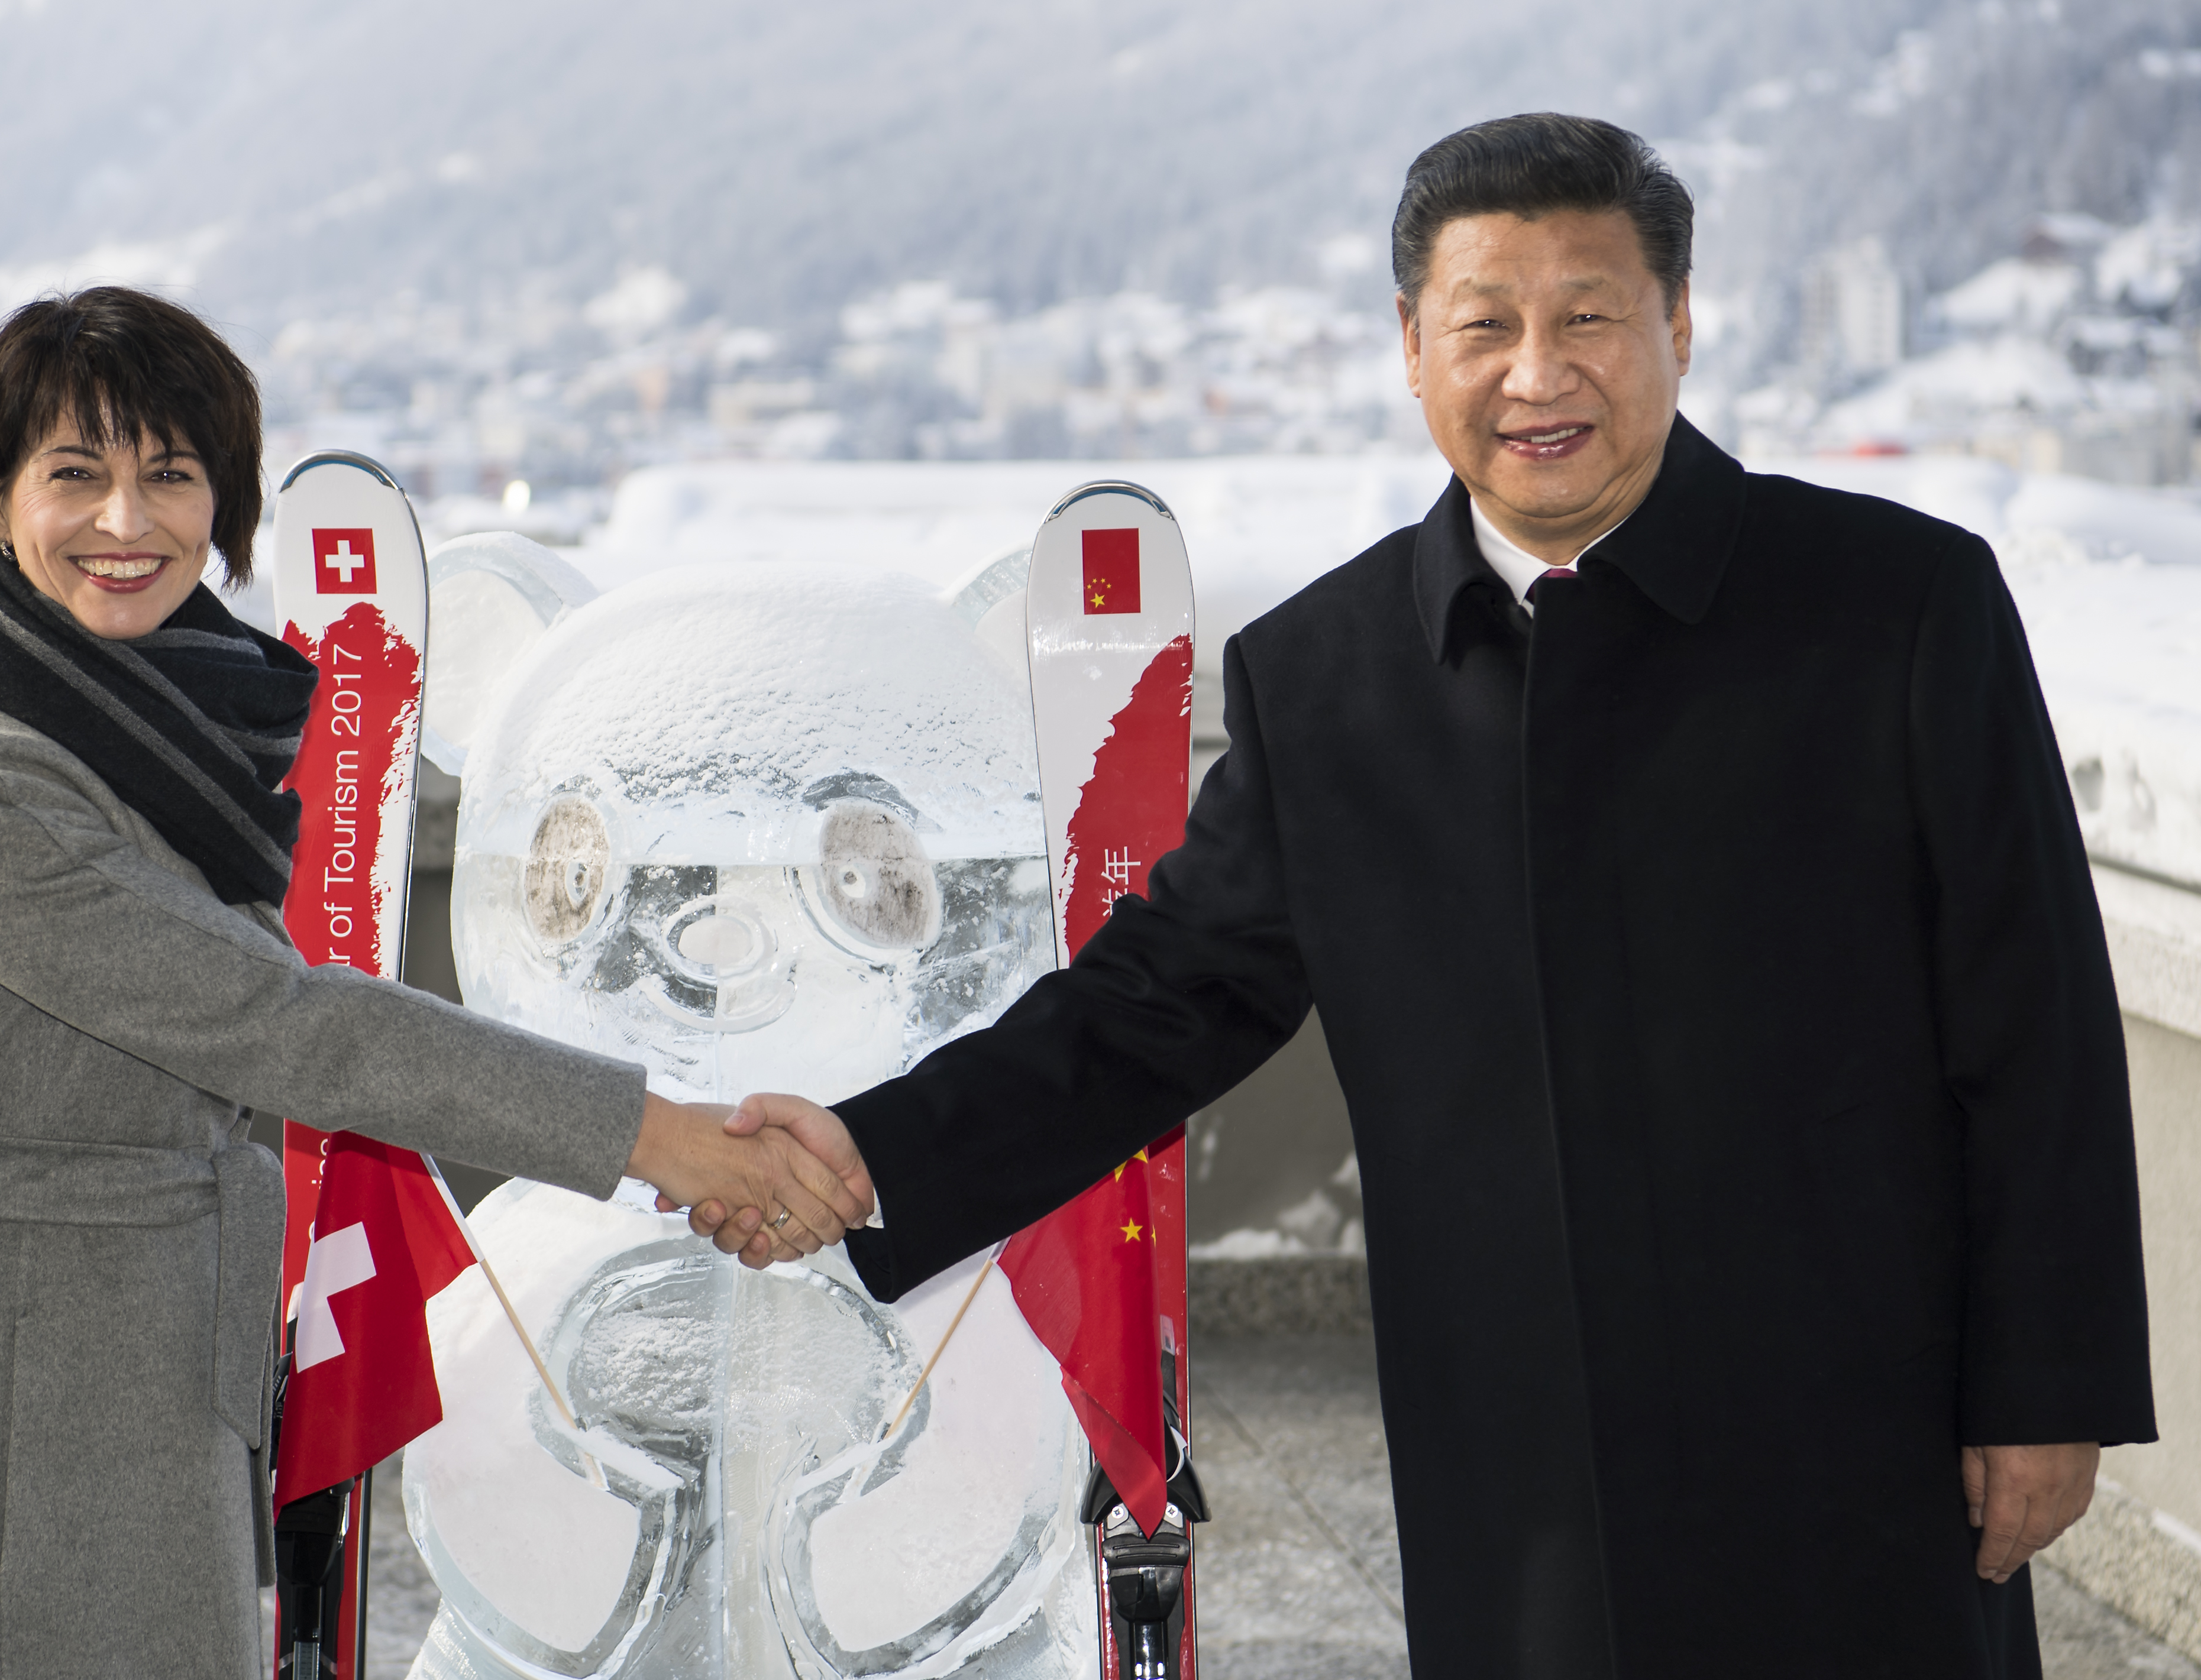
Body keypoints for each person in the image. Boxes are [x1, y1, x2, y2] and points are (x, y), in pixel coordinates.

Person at [700, 115, 2155, 1678]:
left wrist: (2040, 1386)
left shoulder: (1894, 607)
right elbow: (1155, 1000)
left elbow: (2034, 1026)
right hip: (1520, 1457)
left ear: (1677, 321)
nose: (1536, 373)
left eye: (1586, 315)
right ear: (1410, 347)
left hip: (1855, 1424)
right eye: (1484, 325)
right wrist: (869, 1150)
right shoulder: (1327, 682)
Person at [0, 287, 859, 1680]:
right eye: (75, 474)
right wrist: (673, 1140)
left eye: (172, 474)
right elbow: (278, 1021)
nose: (127, 522)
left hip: (118, 1339)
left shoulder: (149, 719)